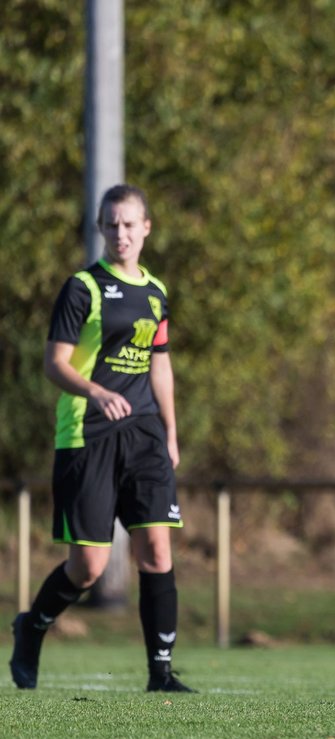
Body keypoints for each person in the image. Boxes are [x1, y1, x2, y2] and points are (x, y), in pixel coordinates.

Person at [9, 184, 194, 693]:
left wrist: (171, 433)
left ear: (146, 228)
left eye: (130, 224)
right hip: (87, 435)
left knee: (156, 549)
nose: (121, 234)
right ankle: (32, 628)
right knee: (88, 567)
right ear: (101, 229)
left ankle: (161, 674)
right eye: (111, 225)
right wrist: (94, 392)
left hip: (144, 435)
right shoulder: (82, 288)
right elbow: (55, 363)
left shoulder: (156, 292)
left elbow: (161, 366)